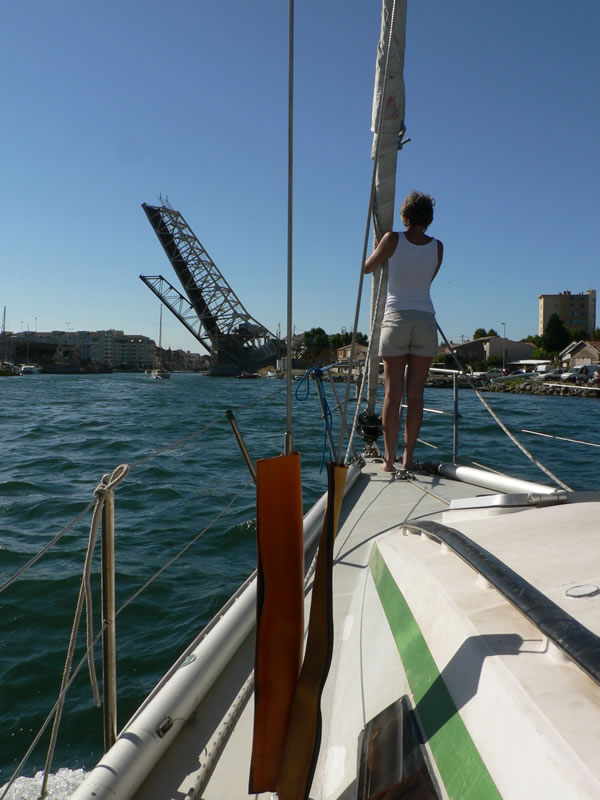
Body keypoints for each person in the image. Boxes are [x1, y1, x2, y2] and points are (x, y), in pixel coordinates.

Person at [364, 191, 443, 472]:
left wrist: (381, 245)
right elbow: (427, 279)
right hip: (425, 320)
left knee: (392, 394)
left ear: (405, 216)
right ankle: (408, 459)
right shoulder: (438, 247)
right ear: (429, 218)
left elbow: (367, 268)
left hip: (396, 319)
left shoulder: (392, 239)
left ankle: (389, 460)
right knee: (416, 395)